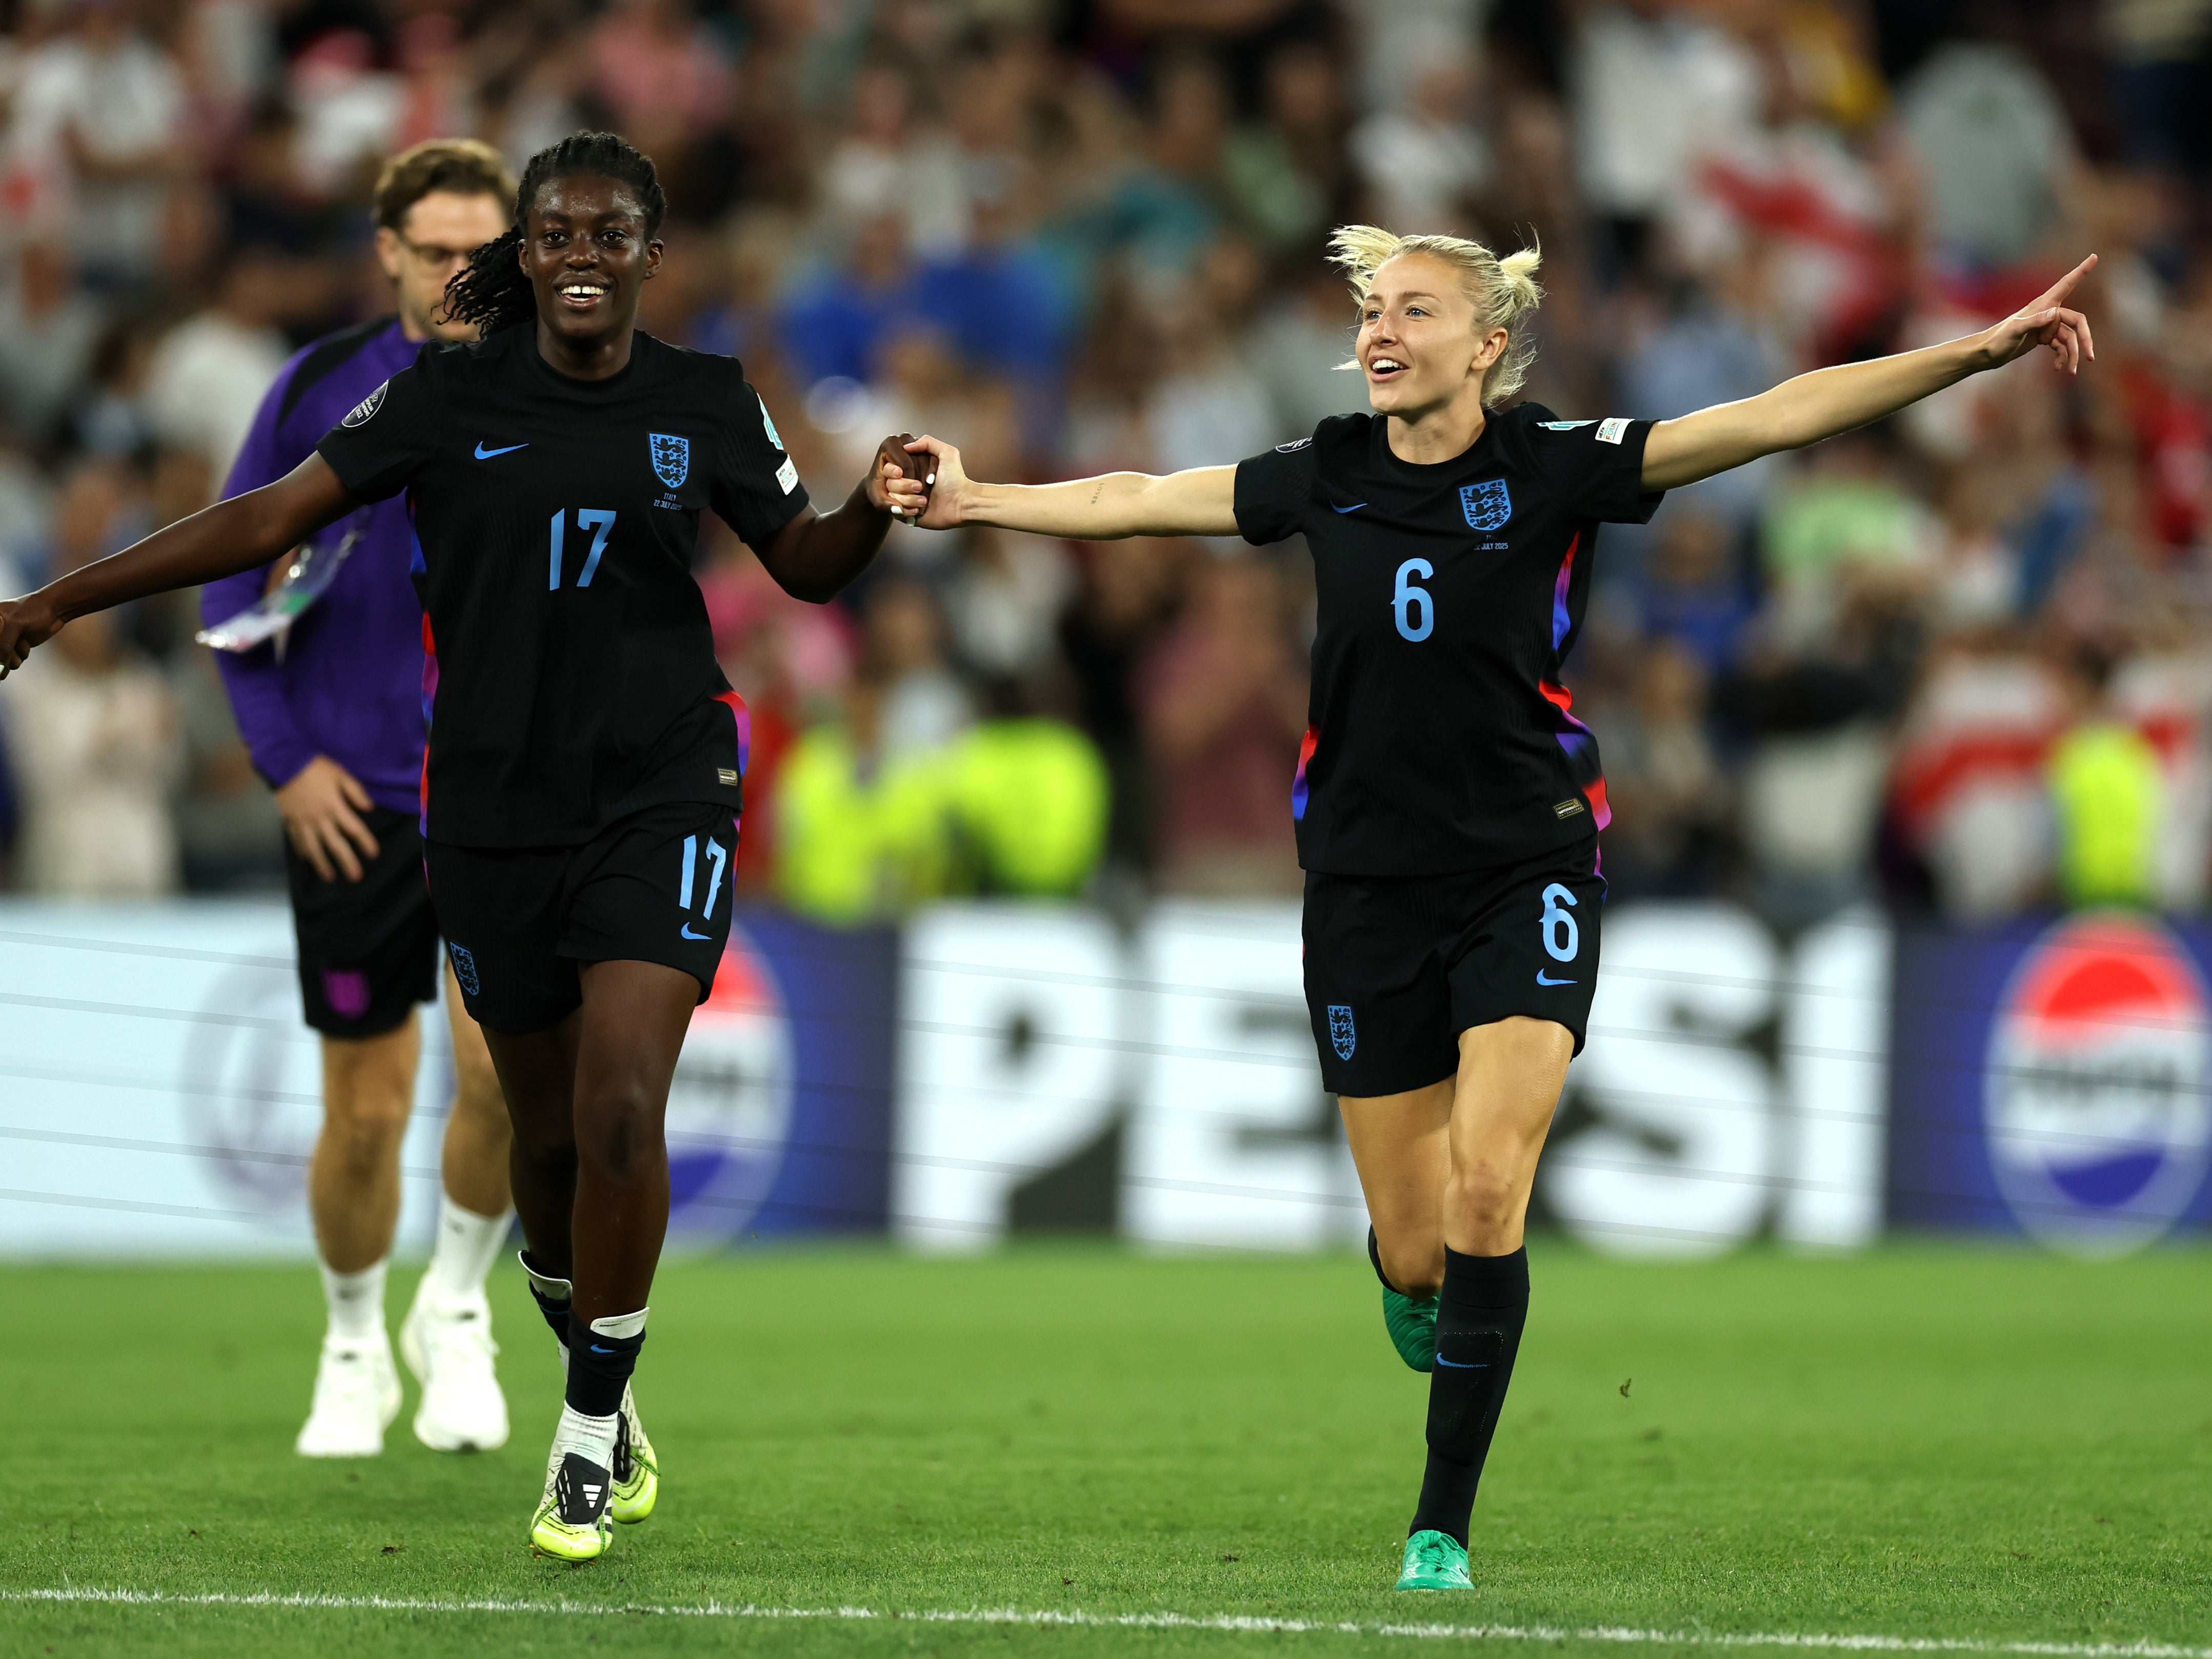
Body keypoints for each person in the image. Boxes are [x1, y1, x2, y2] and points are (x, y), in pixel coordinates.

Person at [879, 226, 2097, 1594]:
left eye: (1412, 310)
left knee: (1484, 1184)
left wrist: (1972, 353)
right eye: (1370, 312)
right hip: (1361, 886)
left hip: (1527, 864)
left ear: (1488, 344)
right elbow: (1139, 495)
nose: (1379, 333)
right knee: (1415, 1245)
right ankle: (1415, 1289)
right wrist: (978, 500)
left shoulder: (1554, 465)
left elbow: (1769, 416)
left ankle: (1438, 1527)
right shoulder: (1324, 472)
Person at [0, 131, 919, 1563]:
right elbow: (266, 519)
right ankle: (579, 1362)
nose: (582, 257)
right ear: (525, 254)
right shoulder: (440, 398)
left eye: (612, 235)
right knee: (547, 1150)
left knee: (621, 1108)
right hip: (487, 813)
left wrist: (872, 503)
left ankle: (583, 1435)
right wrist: (56, 602)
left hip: (663, 786)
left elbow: (799, 562)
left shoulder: (705, 400)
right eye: (555, 234)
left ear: (648, 255)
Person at [199, 139, 520, 1461]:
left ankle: (453, 1309)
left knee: (503, 1081)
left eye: (478, 252)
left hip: (500, 796)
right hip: (353, 803)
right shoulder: (320, 388)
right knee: (367, 1114)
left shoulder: (557, 381)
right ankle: (348, 1337)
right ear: (386, 250)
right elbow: (232, 573)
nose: (458, 273)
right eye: (434, 250)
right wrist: (285, 759)